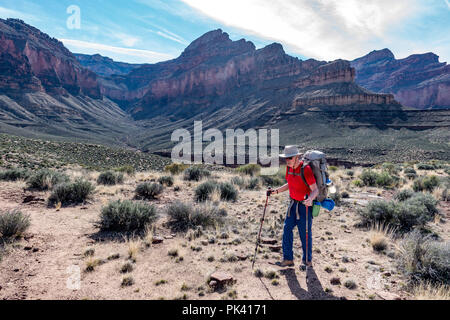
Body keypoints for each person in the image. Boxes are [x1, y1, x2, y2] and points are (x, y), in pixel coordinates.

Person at [267, 145, 319, 267]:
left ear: (297, 157)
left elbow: (315, 189)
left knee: (305, 234)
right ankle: (288, 259)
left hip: (304, 206)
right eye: (286, 158)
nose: (287, 160)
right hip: (293, 204)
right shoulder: (289, 168)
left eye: (290, 158)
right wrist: (276, 191)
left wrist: (310, 199)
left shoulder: (305, 169)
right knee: (287, 230)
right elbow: (289, 184)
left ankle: (307, 261)